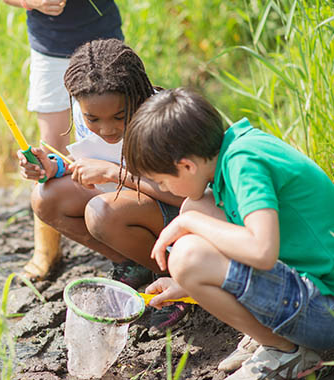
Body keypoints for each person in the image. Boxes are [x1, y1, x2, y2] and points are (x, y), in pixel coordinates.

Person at [123, 87, 334, 379]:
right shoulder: (235, 152)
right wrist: (187, 285)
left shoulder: (244, 163)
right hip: (311, 286)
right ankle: (273, 337)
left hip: (326, 309)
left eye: (162, 182)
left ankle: (284, 352)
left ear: (186, 165)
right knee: (197, 209)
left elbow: (262, 251)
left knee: (187, 254)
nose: (164, 190)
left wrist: (191, 226)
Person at [18, 39, 189, 332]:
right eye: (93, 118)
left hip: (184, 219)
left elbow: (187, 194)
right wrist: (54, 167)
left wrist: (114, 173)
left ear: (135, 97)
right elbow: (92, 156)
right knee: (46, 197)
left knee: (101, 211)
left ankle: (178, 281)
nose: (106, 128)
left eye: (119, 118)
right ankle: (136, 264)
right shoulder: (88, 107)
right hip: (134, 202)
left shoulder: (163, 119)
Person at [2, 0, 124, 281]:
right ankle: (46, 251)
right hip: (50, 47)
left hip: (103, 42)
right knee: (49, 149)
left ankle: (125, 229)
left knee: (112, 140)